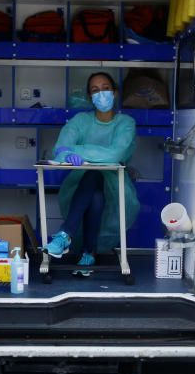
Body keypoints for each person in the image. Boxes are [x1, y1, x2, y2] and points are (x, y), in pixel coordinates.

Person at [45, 72, 140, 276]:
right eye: (95, 90)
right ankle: (88, 252)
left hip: (115, 186)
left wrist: (75, 151)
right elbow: (59, 148)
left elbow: (117, 153)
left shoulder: (125, 123)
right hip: (80, 185)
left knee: (94, 174)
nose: (101, 94)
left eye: (105, 88)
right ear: (90, 97)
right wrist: (66, 151)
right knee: (93, 185)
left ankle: (65, 234)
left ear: (114, 92)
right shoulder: (81, 120)